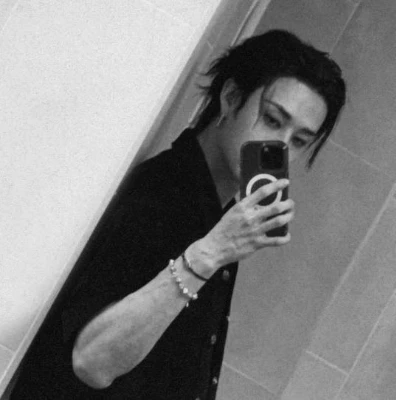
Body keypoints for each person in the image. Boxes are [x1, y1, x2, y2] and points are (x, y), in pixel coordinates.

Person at [10, 29, 346, 400]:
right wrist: (208, 255)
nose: (278, 147)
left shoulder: (221, 216)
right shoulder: (160, 194)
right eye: (271, 119)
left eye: (298, 141)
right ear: (231, 99)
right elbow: (91, 361)